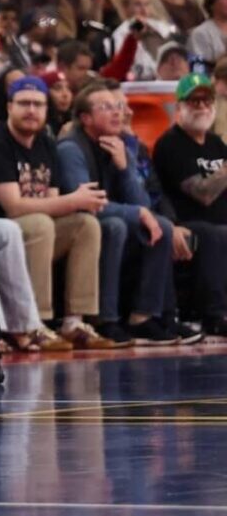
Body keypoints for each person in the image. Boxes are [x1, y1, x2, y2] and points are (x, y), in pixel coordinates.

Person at [0, 77, 118, 349]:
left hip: (34, 233)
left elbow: (53, 200)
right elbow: (14, 206)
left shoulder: (45, 142)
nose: (31, 110)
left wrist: (75, 202)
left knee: (85, 224)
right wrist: (74, 199)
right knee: (42, 222)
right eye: (24, 104)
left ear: (47, 109)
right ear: (9, 107)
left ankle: (74, 321)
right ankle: (37, 322)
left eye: (38, 104)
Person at [56, 80, 179, 346]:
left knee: (162, 226)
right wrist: (137, 213)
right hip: (75, 222)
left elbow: (142, 202)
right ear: (85, 118)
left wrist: (124, 169)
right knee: (115, 225)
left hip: (108, 217)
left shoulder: (121, 143)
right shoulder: (70, 148)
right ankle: (105, 319)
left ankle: (143, 317)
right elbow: (85, 202)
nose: (117, 113)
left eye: (118, 107)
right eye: (106, 107)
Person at [152, 72, 227, 338]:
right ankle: (214, 316)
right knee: (216, 234)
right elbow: (203, 193)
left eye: (207, 101)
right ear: (179, 107)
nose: (202, 107)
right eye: (194, 101)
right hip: (185, 225)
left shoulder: (217, 144)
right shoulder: (171, 144)